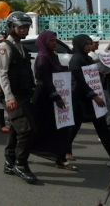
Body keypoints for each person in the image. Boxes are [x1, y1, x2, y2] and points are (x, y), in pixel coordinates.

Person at [66, 34, 110, 162]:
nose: (89, 46)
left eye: (89, 44)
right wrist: (94, 95)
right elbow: (80, 80)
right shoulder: (76, 59)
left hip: (91, 98)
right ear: (79, 45)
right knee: (73, 126)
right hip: (80, 98)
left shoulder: (87, 58)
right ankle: (65, 151)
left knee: (102, 127)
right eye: (86, 44)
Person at [0, 11, 37, 184]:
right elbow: (2, 74)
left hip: (24, 94)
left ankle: (9, 161)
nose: (23, 30)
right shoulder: (4, 47)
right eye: (20, 27)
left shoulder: (20, 46)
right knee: (27, 130)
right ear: (11, 27)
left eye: (26, 27)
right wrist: (9, 97)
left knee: (15, 128)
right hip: (13, 96)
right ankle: (21, 164)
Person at [30, 31, 77, 170]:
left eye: (55, 40)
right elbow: (45, 79)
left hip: (54, 95)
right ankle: (21, 153)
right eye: (51, 41)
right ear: (44, 42)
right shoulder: (43, 58)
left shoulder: (52, 55)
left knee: (61, 129)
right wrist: (56, 97)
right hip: (44, 98)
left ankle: (60, 158)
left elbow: (56, 74)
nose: (54, 43)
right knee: (40, 128)